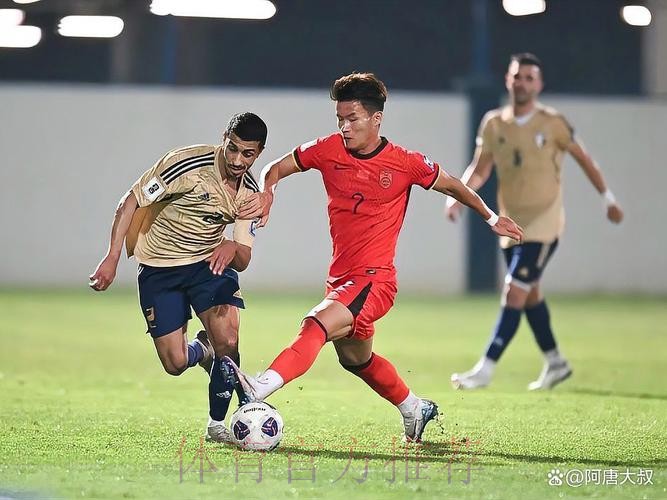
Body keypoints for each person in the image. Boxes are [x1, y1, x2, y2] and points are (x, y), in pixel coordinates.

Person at [230, 72, 523, 442]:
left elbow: (453, 185)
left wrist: (492, 218)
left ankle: (259, 387)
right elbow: (274, 168)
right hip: (341, 279)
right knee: (356, 360)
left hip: (374, 280)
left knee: (315, 324)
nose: (344, 127)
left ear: (376, 118)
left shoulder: (405, 162)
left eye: (352, 119)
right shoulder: (327, 149)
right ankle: (414, 409)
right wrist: (268, 191)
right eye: (340, 119)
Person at [447, 53, 624, 391]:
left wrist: (608, 199)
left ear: (539, 84)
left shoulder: (553, 123)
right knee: (530, 296)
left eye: (530, 78)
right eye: (518, 76)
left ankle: (485, 369)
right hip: (511, 225)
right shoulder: (494, 123)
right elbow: (480, 168)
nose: (523, 83)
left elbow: (585, 160)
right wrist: (458, 197)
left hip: (544, 224)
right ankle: (556, 362)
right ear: (508, 80)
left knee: (514, 291)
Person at [89, 112, 268, 442]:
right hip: (159, 268)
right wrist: (112, 257)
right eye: (232, 148)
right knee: (175, 363)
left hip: (209, 265)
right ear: (224, 138)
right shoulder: (186, 164)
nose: (237, 160)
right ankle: (203, 349)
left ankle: (219, 423)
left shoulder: (250, 194)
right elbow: (130, 202)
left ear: (258, 154)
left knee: (228, 339)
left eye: (247, 154)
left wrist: (231, 246)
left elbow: (243, 259)